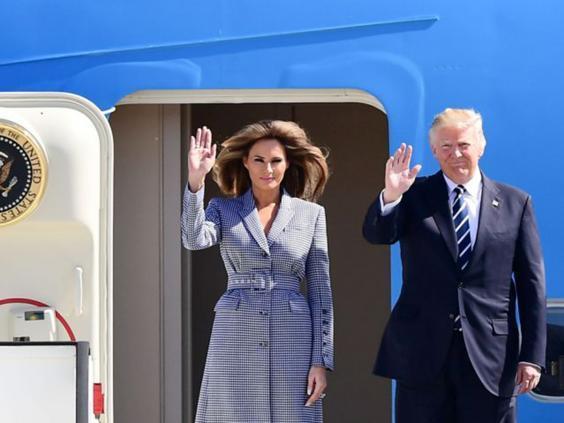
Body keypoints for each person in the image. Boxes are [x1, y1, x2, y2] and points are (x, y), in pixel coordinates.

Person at [362, 108, 546, 423]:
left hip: (490, 355)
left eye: (463, 144)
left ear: (481, 146)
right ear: (434, 151)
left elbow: (532, 285)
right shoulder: (413, 194)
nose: (455, 154)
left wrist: (532, 357)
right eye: (445, 147)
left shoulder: (516, 203)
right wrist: (391, 195)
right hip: (422, 352)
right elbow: (377, 235)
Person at [181, 121, 334, 423]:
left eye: (276, 160)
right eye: (259, 160)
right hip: (236, 329)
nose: (269, 169)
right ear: (246, 164)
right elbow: (193, 238)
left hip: (294, 334)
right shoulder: (222, 208)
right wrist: (195, 181)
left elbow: (320, 291)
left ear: (288, 164)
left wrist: (321, 361)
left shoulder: (312, 214)